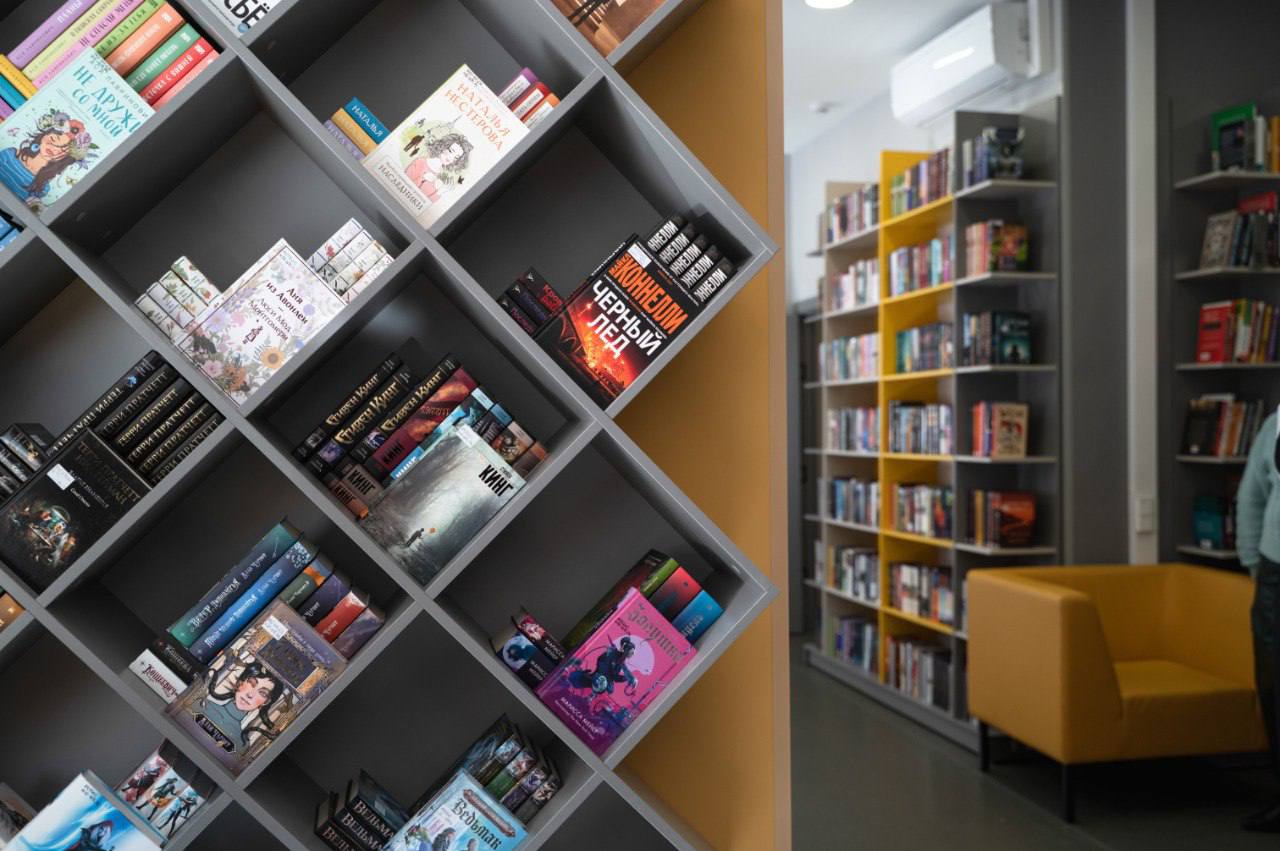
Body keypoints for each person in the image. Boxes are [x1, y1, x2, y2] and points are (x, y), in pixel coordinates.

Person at [1239, 406, 1280, 832]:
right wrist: (1253, 561)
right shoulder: (1275, 424)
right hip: (1275, 575)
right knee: (1272, 686)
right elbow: (1252, 495)